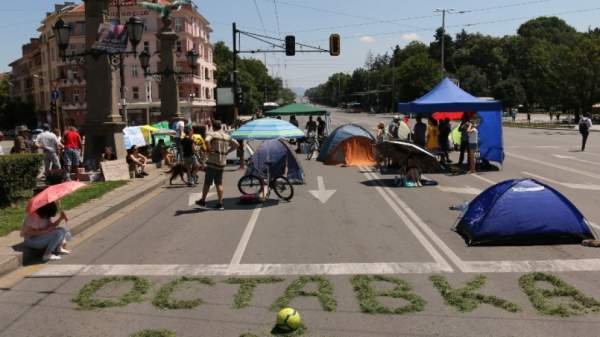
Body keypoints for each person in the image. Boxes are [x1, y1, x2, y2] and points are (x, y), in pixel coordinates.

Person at [195, 120, 239, 210]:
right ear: (221, 127)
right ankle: (220, 203)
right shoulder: (227, 136)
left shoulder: (213, 134)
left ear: (214, 127)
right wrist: (227, 151)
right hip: (222, 163)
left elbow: (206, 141)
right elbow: (236, 145)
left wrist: (209, 149)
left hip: (212, 162)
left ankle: (203, 200)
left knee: (207, 182)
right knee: (219, 183)